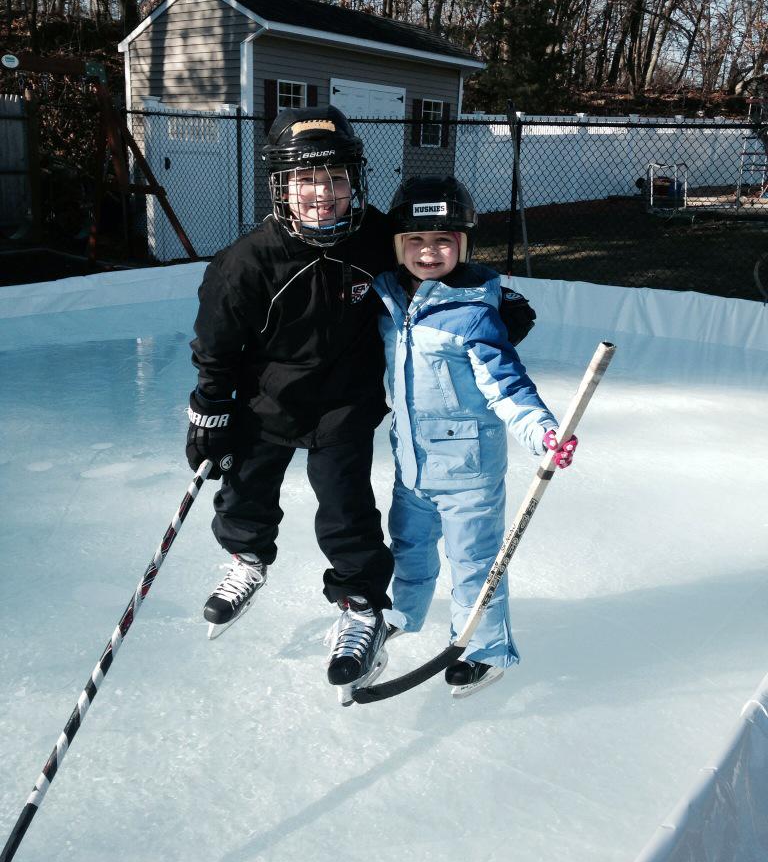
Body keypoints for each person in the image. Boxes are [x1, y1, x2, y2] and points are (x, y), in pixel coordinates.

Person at [185, 105, 396, 699]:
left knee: (345, 504)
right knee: (246, 486)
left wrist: (485, 299)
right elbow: (217, 345)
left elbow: (437, 263)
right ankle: (248, 559)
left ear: (354, 181)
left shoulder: (380, 239)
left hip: (345, 404)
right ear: (282, 186)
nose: (322, 195)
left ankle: (360, 604)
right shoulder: (247, 261)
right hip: (267, 403)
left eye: (334, 179)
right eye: (306, 180)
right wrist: (209, 410)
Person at [374, 176, 577, 697]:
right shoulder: (390, 303)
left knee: (474, 564)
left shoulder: (474, 315)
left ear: (463, 246)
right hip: (411, 466)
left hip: (468, 471)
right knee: (409, 549)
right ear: (399, 245)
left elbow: (507, 386)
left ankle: (486, 650)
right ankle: (403, 614)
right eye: (415, 241)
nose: (428, 252)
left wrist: (542, 431)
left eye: (443, 240)